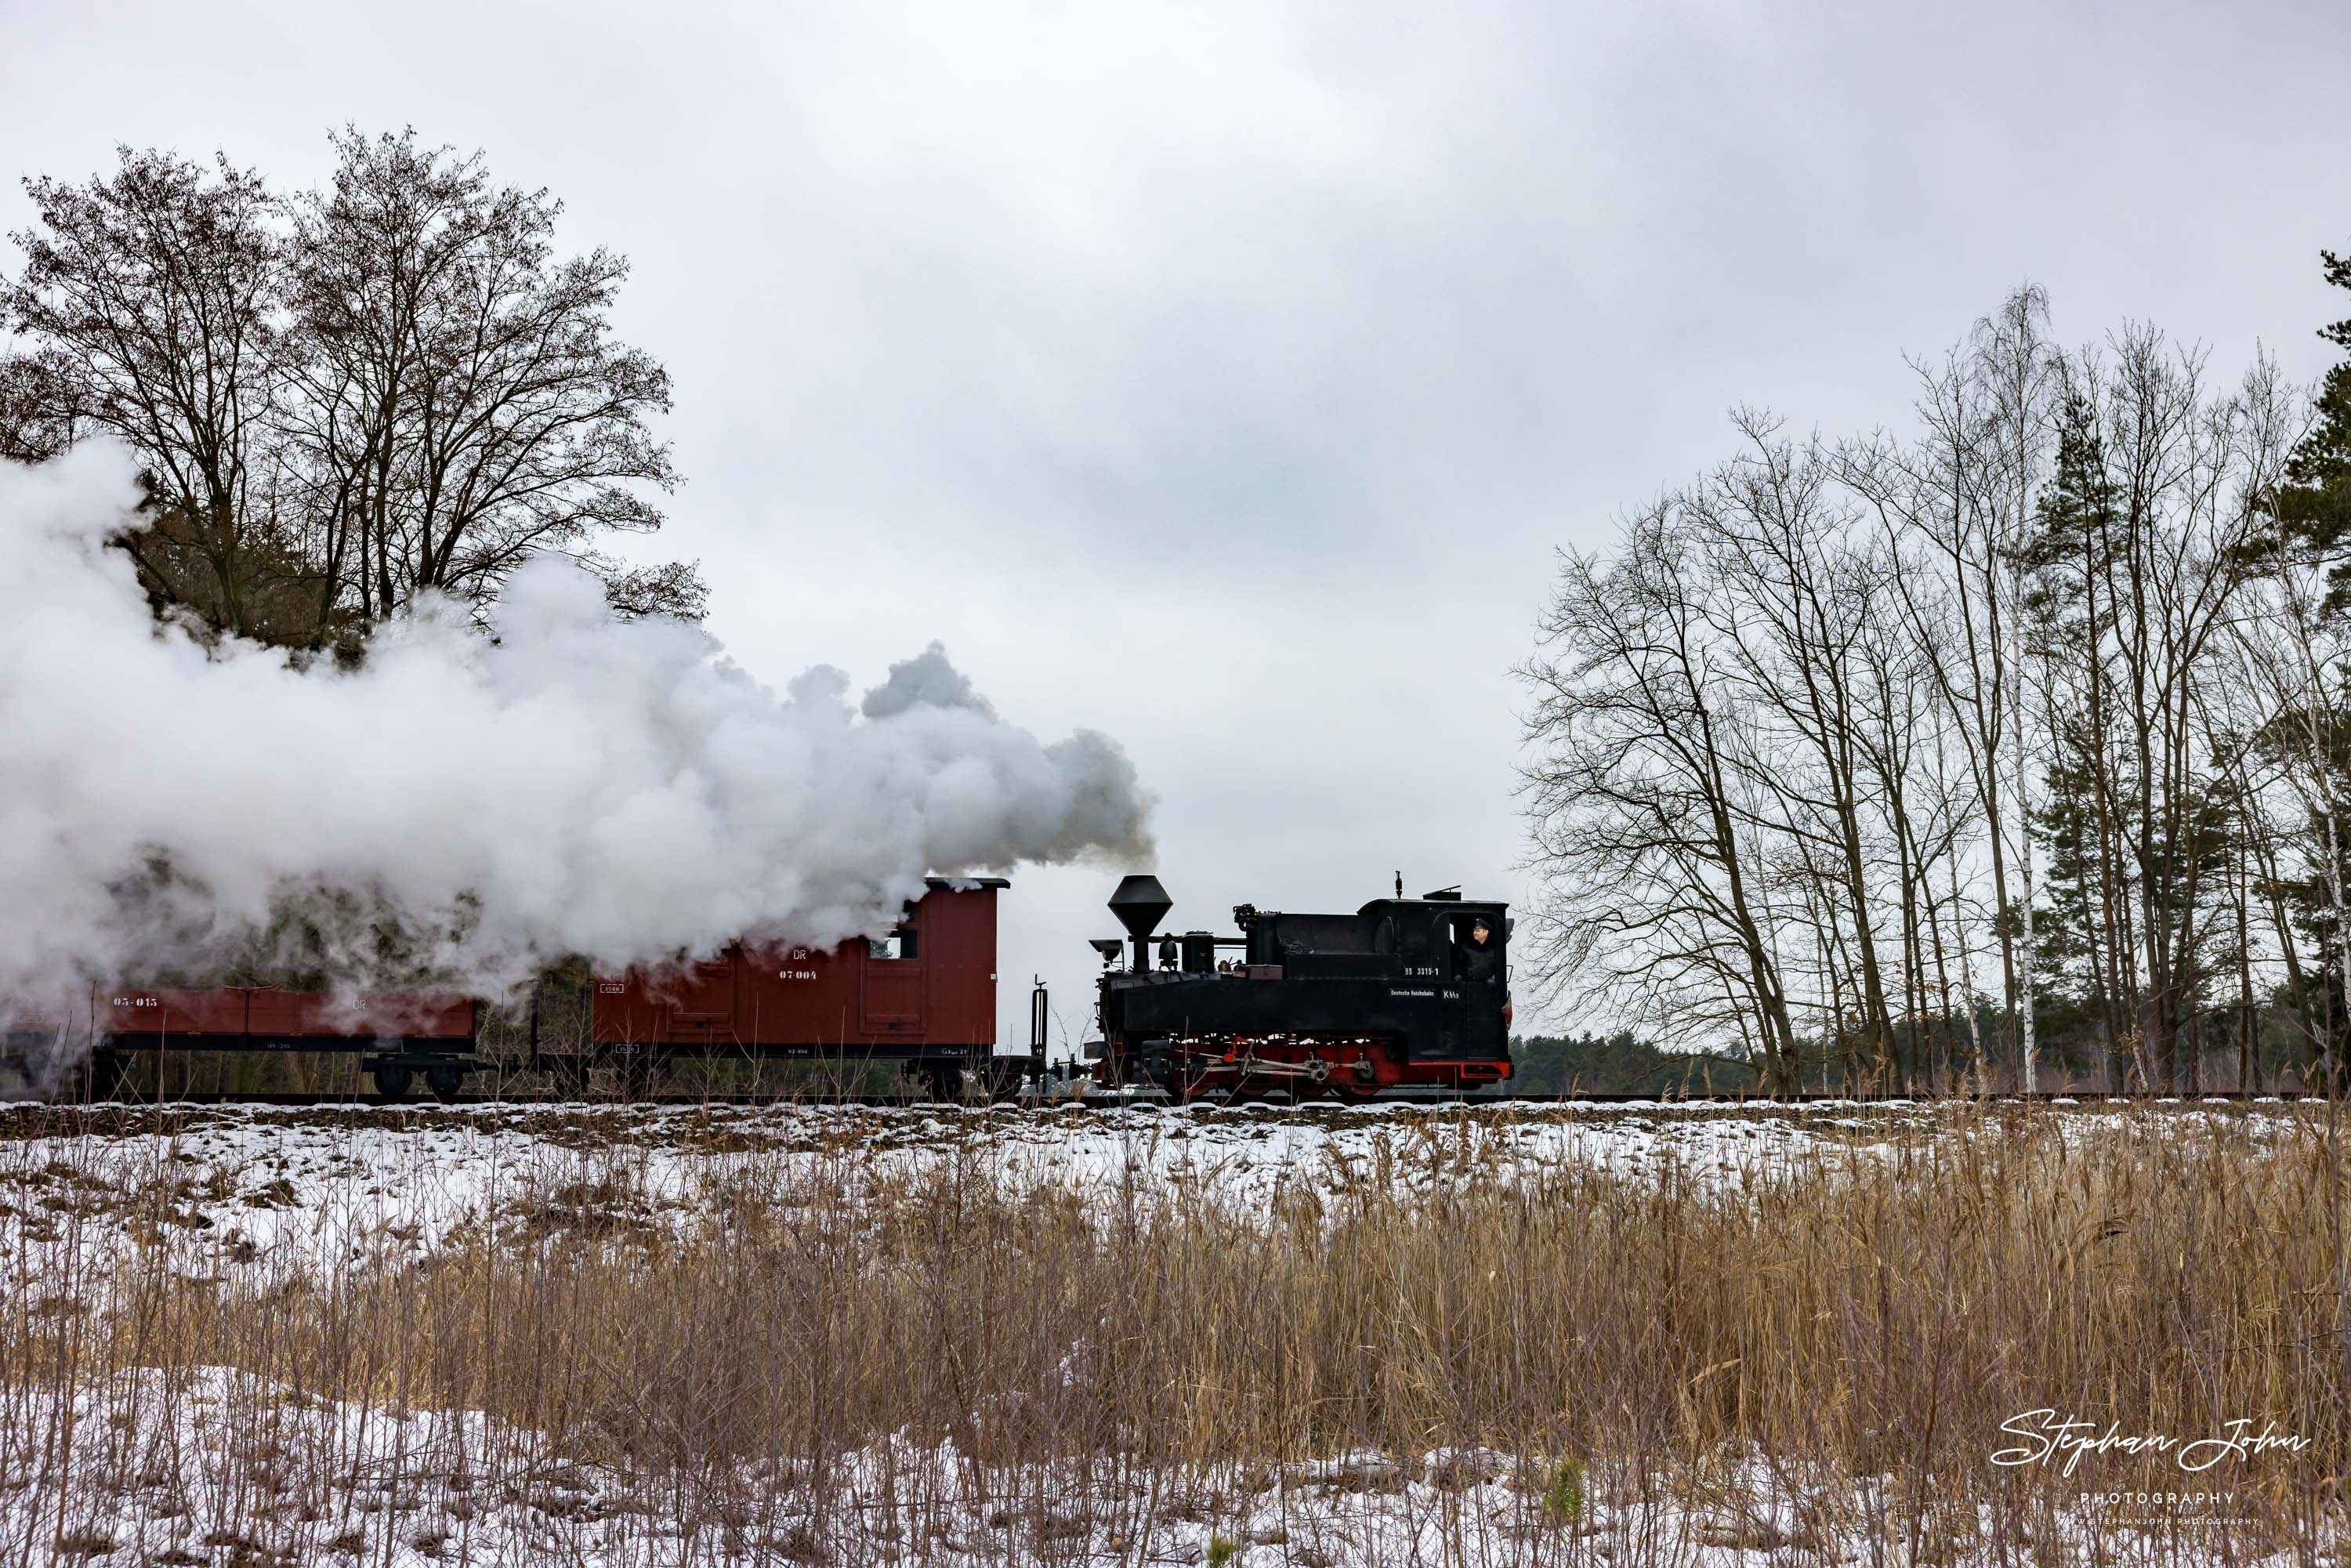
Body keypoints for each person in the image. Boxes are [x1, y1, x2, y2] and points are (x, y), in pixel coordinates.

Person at [1454, 917, 1501, 983]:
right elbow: (1459, 963)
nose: (1475, 933)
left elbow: (1500, 967)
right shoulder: (1465, 947)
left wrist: (1493, 978)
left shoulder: (1494, 949)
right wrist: (1458, 975)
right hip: (1468, 984)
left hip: (1489, 986)